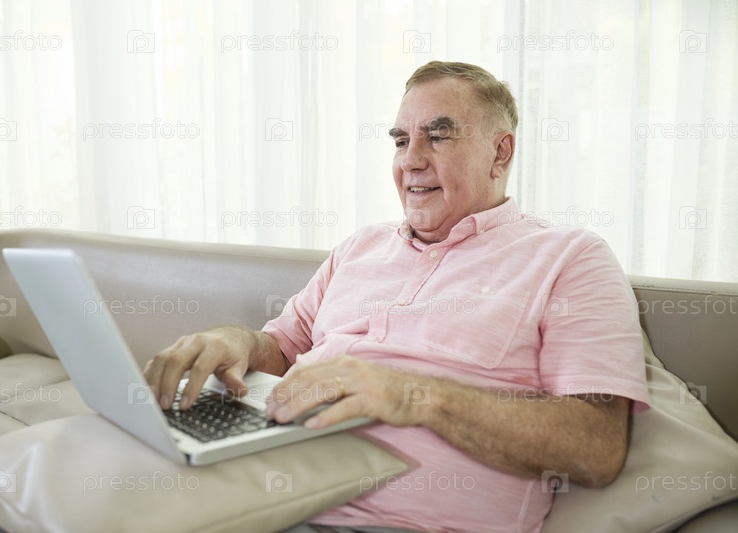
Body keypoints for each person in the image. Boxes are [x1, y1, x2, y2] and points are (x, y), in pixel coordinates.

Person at [144, 61, 650, 532]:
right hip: (258, 499)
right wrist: (234, 341)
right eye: (401, 140)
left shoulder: (571, 257)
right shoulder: (360, 246)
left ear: (500, 153)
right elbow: (281, 348)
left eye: (438, 136)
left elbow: (596, 449)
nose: (411, 160)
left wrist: (412, 394)